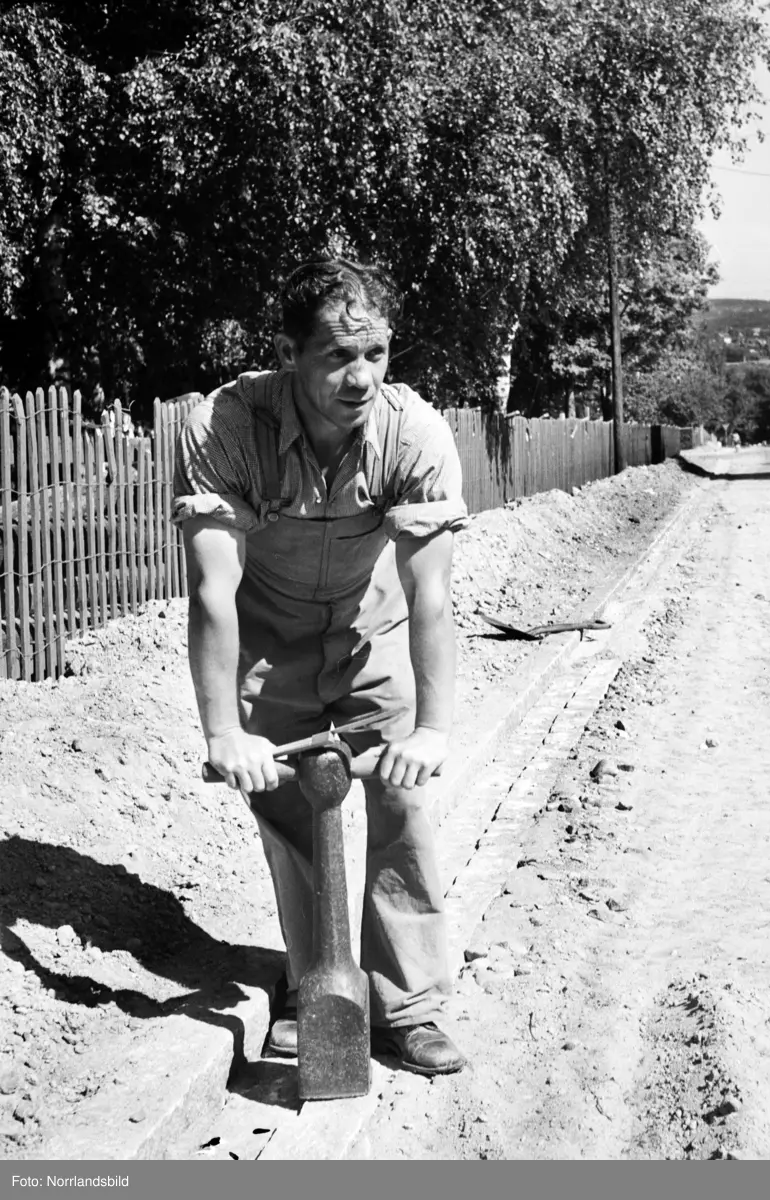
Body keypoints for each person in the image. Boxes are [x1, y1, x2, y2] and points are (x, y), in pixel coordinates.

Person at [171, 258, 469, 1075]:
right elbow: (211, 592)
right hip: (268, 634)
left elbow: (432, 596)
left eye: (375, 353)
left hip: (371, 626)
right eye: (337, 356)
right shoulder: (228, 426)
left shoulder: (414, 434)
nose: (360, 377)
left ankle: (407, 1007)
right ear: (288, 352)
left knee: (400, 798)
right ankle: (319, 989)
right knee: (293, 813)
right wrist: (225, 731)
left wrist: (435, 728)